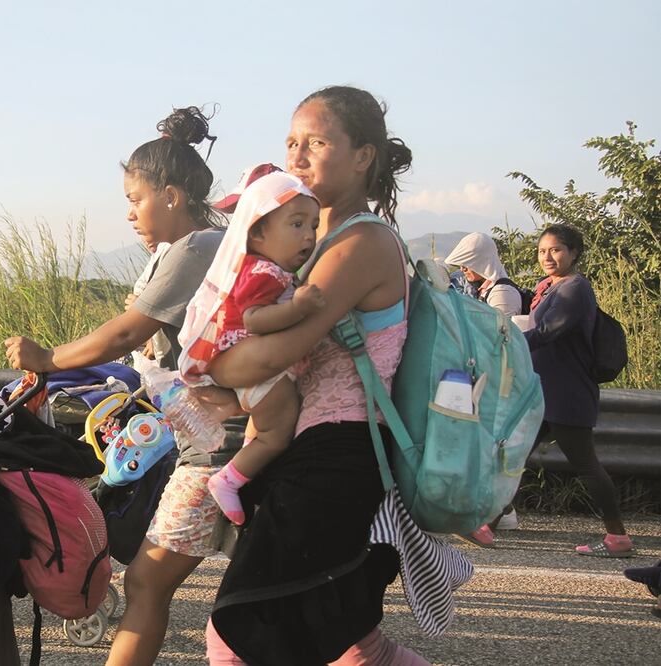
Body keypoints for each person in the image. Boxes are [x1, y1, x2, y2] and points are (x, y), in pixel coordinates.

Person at [200, 86, 435, 665]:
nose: (296, 156)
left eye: (317, 142)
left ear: (363, 157)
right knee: (354, 644)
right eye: (291, 143)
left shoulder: (359, 243)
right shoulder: (312, 240)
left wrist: (209, 364)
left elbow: (279, 352)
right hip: (322, 447)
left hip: (340, 451)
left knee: (239, 635)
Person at [3, 106, 242, 666]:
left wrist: (48, 359)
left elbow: (128, 332)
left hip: (217, 445)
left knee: (147, 583)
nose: (130, 213)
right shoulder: (193, 248)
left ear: (173, 195)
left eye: (136, 199)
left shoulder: (197, 248)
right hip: (211, 436)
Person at [178, 164, 324, 525]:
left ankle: (243, 474)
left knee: (269, 427)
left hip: (247, 365)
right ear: (256, 233)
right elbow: (253, 319)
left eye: (313, 226)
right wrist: (299, 308)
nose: (308, 236)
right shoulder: (264, 272)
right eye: (296, 224)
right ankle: (229, 479)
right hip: (250, 362)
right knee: (277, 433)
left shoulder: (269, 269)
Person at [525, 224, 633, 557]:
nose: (548, 257)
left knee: (586, 464)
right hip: (545, 389)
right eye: (543, 251)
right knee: (515, 455)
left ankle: (618, 537)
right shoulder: (549, 287)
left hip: (567, 391)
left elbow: (547, 331)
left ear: (573, 253)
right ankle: (485, 521)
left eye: (556, 250)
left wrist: (506, 340)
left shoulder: (574, 288)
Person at [443, 231, 524, 545]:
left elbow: (503, 340)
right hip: (489, 378)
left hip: (498, 381)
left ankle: (490, 516)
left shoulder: (502, 294)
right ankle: (503, 512)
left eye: (468, 265)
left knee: (491, 448)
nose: (464, 271)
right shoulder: (487, 289)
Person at [444, 231, 523, 317]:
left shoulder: (502, 292)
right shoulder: (481, 288)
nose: (462, 269)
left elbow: (502, 328)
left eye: (467, 264)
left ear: (481, 262)